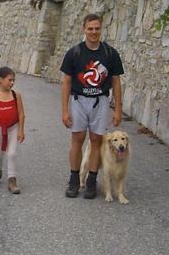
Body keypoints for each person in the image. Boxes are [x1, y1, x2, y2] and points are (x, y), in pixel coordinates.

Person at [61, 13, 124, 199]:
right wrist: (65, 110)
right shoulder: (74, 53)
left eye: (97, 28)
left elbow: (116, 81)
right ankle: (73, 179)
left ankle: (91, 180)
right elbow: (66, 82)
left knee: (97, 141)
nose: (94, 32)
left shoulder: (110, 53)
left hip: (101, 101)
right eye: (90, 28)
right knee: (77, 139)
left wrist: (118, 109)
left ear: (101, 28)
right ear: (84, 29)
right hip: (79, 100)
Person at [0, 66, 25, 194]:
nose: (12, 83)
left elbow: (21, 114)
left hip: (13, 128)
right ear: (1, 80)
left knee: (12, 153)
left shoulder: (16, 95)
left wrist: (21, 130)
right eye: (9, 80)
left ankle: (12, 179)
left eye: (13, 80)